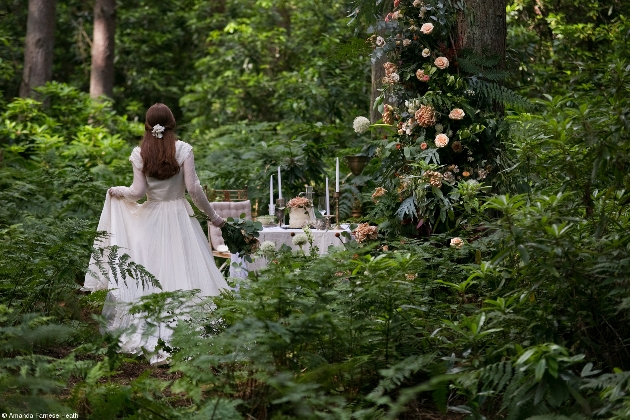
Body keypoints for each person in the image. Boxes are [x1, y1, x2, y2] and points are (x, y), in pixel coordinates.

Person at [83, 103, 228, 364]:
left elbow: (137, 193)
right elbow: (194, 189)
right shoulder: (183, 149)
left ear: (147, 126)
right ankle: (186, 332)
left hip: (151, 218)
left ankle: (149, 329)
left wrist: (119, 191)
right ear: (172, 123)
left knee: (151, 274)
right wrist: (214, 217)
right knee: (183, 271)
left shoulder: (140, 153)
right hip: (180, 218)